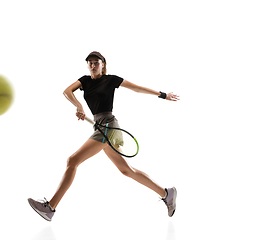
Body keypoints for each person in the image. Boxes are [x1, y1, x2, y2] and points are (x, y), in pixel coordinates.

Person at [28, 51, 180, 221]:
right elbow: (67, 91)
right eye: (90, 63)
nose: (93, 66)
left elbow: (136, 88)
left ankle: (50, 207)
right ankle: (167, 194)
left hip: (109, 126)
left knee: (72, 161)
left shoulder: (111, 80)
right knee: (126, 170)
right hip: (100, 126)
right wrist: (79, 105)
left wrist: (163, 95)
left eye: (96, 62)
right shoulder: (84, 81)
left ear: (103, 64)